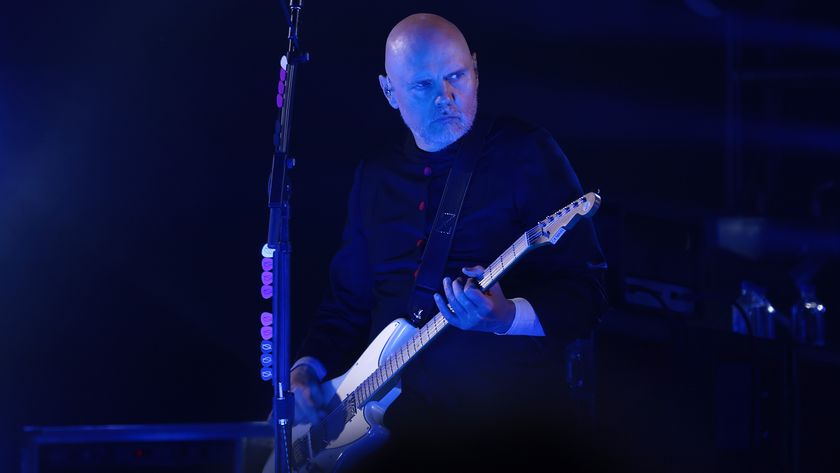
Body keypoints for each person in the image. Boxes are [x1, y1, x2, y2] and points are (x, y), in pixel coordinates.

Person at [268, 12, 610, 472]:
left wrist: (504, 317)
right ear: (390, 93)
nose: (446, 97)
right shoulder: (375, 177)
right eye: (423, 86)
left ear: (475, 68)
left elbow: (588, 295)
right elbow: (346, 304)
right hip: (385, 439)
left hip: (501, 431)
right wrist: (305, 369)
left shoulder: (525, 153)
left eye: (456, 76)